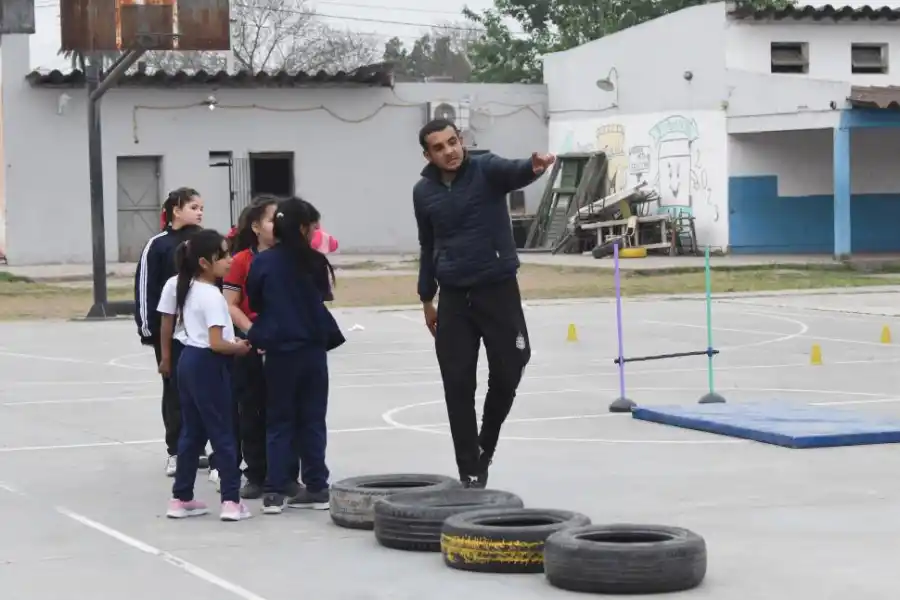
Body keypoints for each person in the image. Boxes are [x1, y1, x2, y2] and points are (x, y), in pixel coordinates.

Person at [412, 118, 555, 489]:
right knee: (457, 384)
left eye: (453, 142)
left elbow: (514, 172)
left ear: (462, 140)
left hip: (498, 290)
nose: (450, 151)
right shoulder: (423, 192)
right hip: (454, 297)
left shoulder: (485, 167)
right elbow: (428, 245)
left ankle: (484, 445)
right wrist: (427, 298)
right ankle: (470, 469)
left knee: (511, 368)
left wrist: (533, 166)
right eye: (439, 147)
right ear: (428, 155)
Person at [245, 196, 345, 515]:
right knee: (313, 419)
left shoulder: (263, 261)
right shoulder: (315, 262)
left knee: (279, 420)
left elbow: (256, 300)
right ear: (303, 228)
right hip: (313, 349)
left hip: (279, 350)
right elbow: (321, 297)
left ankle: (275, 489)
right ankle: (317, 485)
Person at [162, 228, 254, 522]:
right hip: (208, 363)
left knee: (192, 431)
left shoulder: (186, 288)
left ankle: (181, 497)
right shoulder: (212, 295)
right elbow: (216, 342)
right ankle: (231, 500)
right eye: (223, 255)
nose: (229, 260)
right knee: (223, 431)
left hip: (188, 361)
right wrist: (238, 347)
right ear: (204, 262)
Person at [223, 196, 300, 500]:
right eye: (271, 219)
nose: (278, 224)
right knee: (252, 410)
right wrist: (255, 333)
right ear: (256, 226)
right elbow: (229, 304)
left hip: (286, 346)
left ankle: (287, 474)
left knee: (286, 412)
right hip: (252, 346)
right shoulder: (242, 260)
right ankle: (255, 473)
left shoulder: (295, 257)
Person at [134, 187, 209, 476]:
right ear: (175, 210)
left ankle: (202, 447)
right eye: (193, 206)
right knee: (175, 389)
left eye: (202, 207)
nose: (200, 212)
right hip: (171, 333)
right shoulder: (158, 245)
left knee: (206, 390)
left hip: (204, 332)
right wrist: (147, 328)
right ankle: (177, 450)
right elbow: (145, 288)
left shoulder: (205, 241)